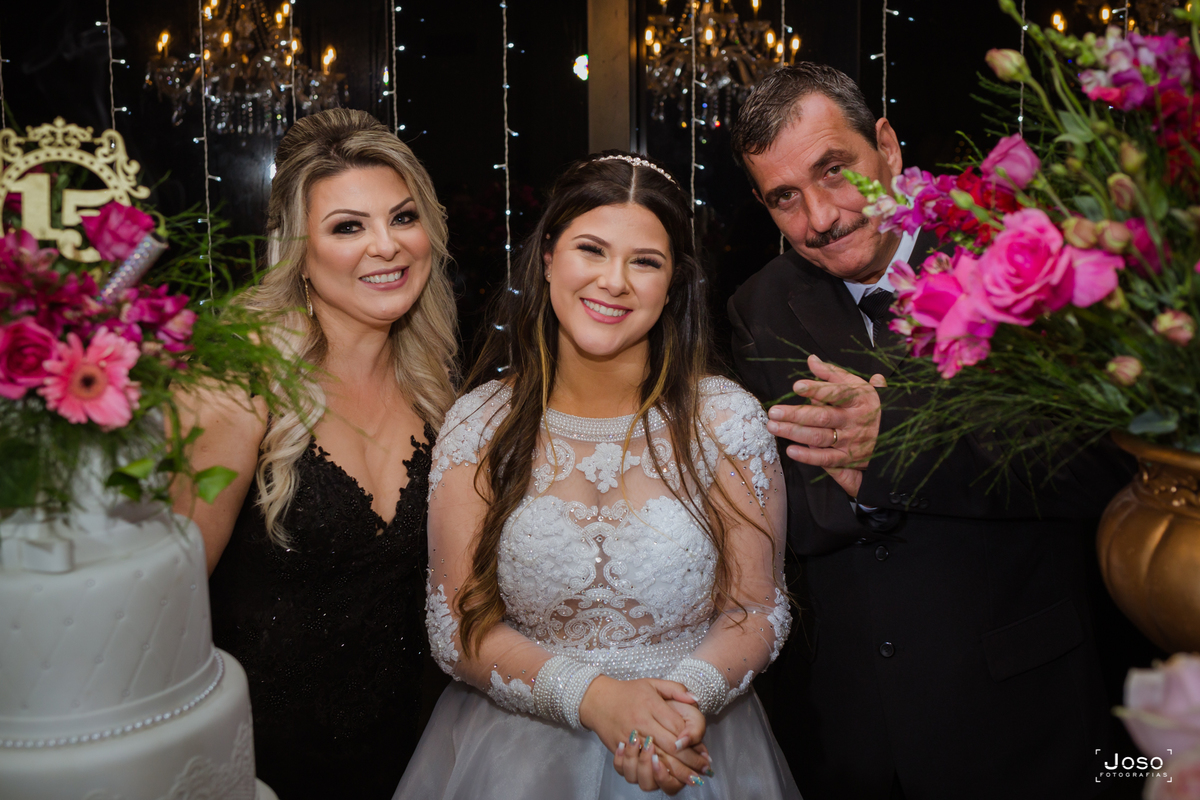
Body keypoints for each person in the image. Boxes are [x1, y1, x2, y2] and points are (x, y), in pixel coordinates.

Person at [726, 64, 1132, 799]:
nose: (820, 218)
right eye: (785, 198)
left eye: (834, 171)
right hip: (849, 735)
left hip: (1024, 718)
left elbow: (1097, 470)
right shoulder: (761, 306)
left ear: (886, 145)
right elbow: (783, 511)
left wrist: (894, 447)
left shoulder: (1014, 258)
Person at [394, 152, 801, 800]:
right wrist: (594, 698)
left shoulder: (727, 420)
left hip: (693, 741)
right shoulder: (480, 423)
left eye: (645, 262)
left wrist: (673, 711)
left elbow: (756, 609)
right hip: (514, 762)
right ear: (548, 257)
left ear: (673, 284)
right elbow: (455, 627)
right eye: (592, 249)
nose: (614, 282)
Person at [170, 108, 458, 799]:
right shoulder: (238, 383)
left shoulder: (437, 387)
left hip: (404, 760)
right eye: (347, 227)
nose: (386, 246)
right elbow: (168, 603)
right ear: (299, 250)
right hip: (252, 767)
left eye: (403, 217)